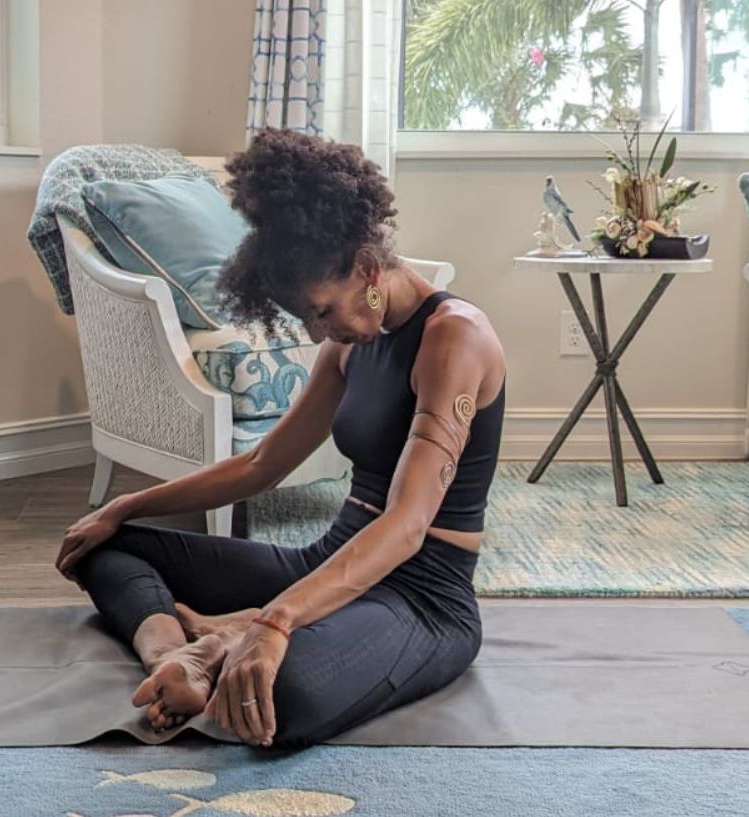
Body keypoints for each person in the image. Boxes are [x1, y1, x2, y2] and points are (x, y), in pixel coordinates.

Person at [56, 126, 507, 749]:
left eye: (322, 310)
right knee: (104, 548)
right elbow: (262, 464)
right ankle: (175, 657)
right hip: (328, 561)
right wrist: (124, 506)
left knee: (280, 694)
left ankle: (221, 646)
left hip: (423, 597)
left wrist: (275, 622)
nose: (319, 331)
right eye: (305, 318)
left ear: (367, 269)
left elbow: (406, 527)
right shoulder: (347, 346)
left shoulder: (454, 337)